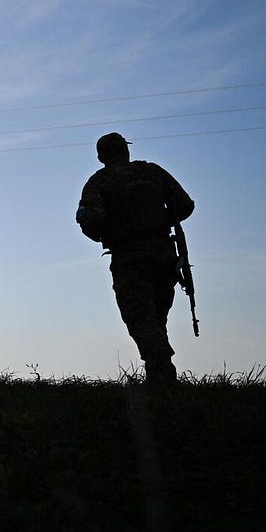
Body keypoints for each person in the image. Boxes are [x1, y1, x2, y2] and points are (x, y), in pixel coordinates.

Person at [76, 132, 195, 385]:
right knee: (156, 315)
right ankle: (160, 375)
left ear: (100, 157)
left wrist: (114, 230)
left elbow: (91, 222)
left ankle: (162, 372)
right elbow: (185, 205)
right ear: (125, 151)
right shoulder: (152, 172)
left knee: (139, 316)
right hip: (163, 256)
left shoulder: (100, 182)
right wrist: (157, 222)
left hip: (130, 258)